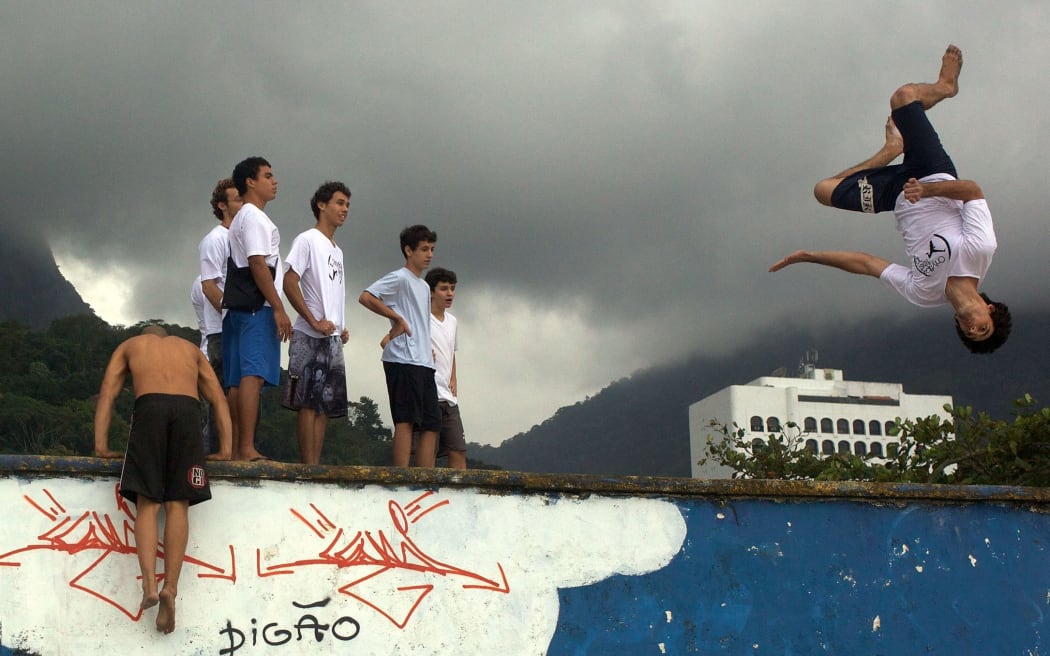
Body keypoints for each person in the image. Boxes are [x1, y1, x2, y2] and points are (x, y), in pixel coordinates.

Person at [769, 44, 1011, 354]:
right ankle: (945, 87)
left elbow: (869, 264)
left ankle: (890, 151)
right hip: (931, 172)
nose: (972, 327)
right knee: (903, 97)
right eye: (982, 328)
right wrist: (927, 190)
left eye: (971, 334)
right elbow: (972, 190)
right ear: (990, 309)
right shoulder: (979, 251)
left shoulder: (925, 294)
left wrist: (810, 256)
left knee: (823, 190)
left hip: (893, 195)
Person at [93, 325, 232, 634]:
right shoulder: (190, 350)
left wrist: (101, 445)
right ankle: (171, 587)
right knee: (178, 504)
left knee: (148, 503)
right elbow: (218, 399)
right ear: (166, 336)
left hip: (150, 409)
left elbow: (108, 393)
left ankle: (150, 586)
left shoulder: (131, 346)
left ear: (146, 335)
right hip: (188, 411)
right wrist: (226, 449)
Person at [222, 157, 292, 461]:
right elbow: (257, 262)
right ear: (250, 182)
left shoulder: (241, 218)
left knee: (237, 380)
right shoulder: (255, 218)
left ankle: (237, 447)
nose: (274, 181)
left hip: (238, 308)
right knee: (253, 375)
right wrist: (278, 307)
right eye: (268, 175)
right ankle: (247, 447)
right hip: (256, 307)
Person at [281, 181, 351, 464]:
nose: (344, 209)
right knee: (307, 402)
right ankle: (307, 466)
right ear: (322, 205)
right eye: (339, 203)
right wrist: (313, 320)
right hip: (308, 335)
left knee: (325, 406)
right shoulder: (307, 239)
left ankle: (316, 467)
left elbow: (332, 291)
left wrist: (340, 325)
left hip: (332, 338)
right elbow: (289, 281)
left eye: (347, 205)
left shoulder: (338, 251)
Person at [359, 225, 440, 467]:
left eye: (431, 249)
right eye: (424, 249)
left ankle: (424, 479)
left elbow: (421, 321)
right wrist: (396, 318)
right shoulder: (400, 277)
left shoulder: (424, 286)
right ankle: (401, 476)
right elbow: (366, 297)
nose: (429, 254)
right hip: (403, 358)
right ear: (408, 250)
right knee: (406, 419)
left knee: (431, 423)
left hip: (424, 360)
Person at [199, 178, 243, 452]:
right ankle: (216, 456)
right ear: (222, 205)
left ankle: (239, 453)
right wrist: (232, 316)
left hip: (243, 329)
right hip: (222, 332)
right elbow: (209, 285)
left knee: (242, 397)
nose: (243, 203)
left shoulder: (244, 239)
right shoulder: (215, 240)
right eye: (237, 198)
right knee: (222, 400)